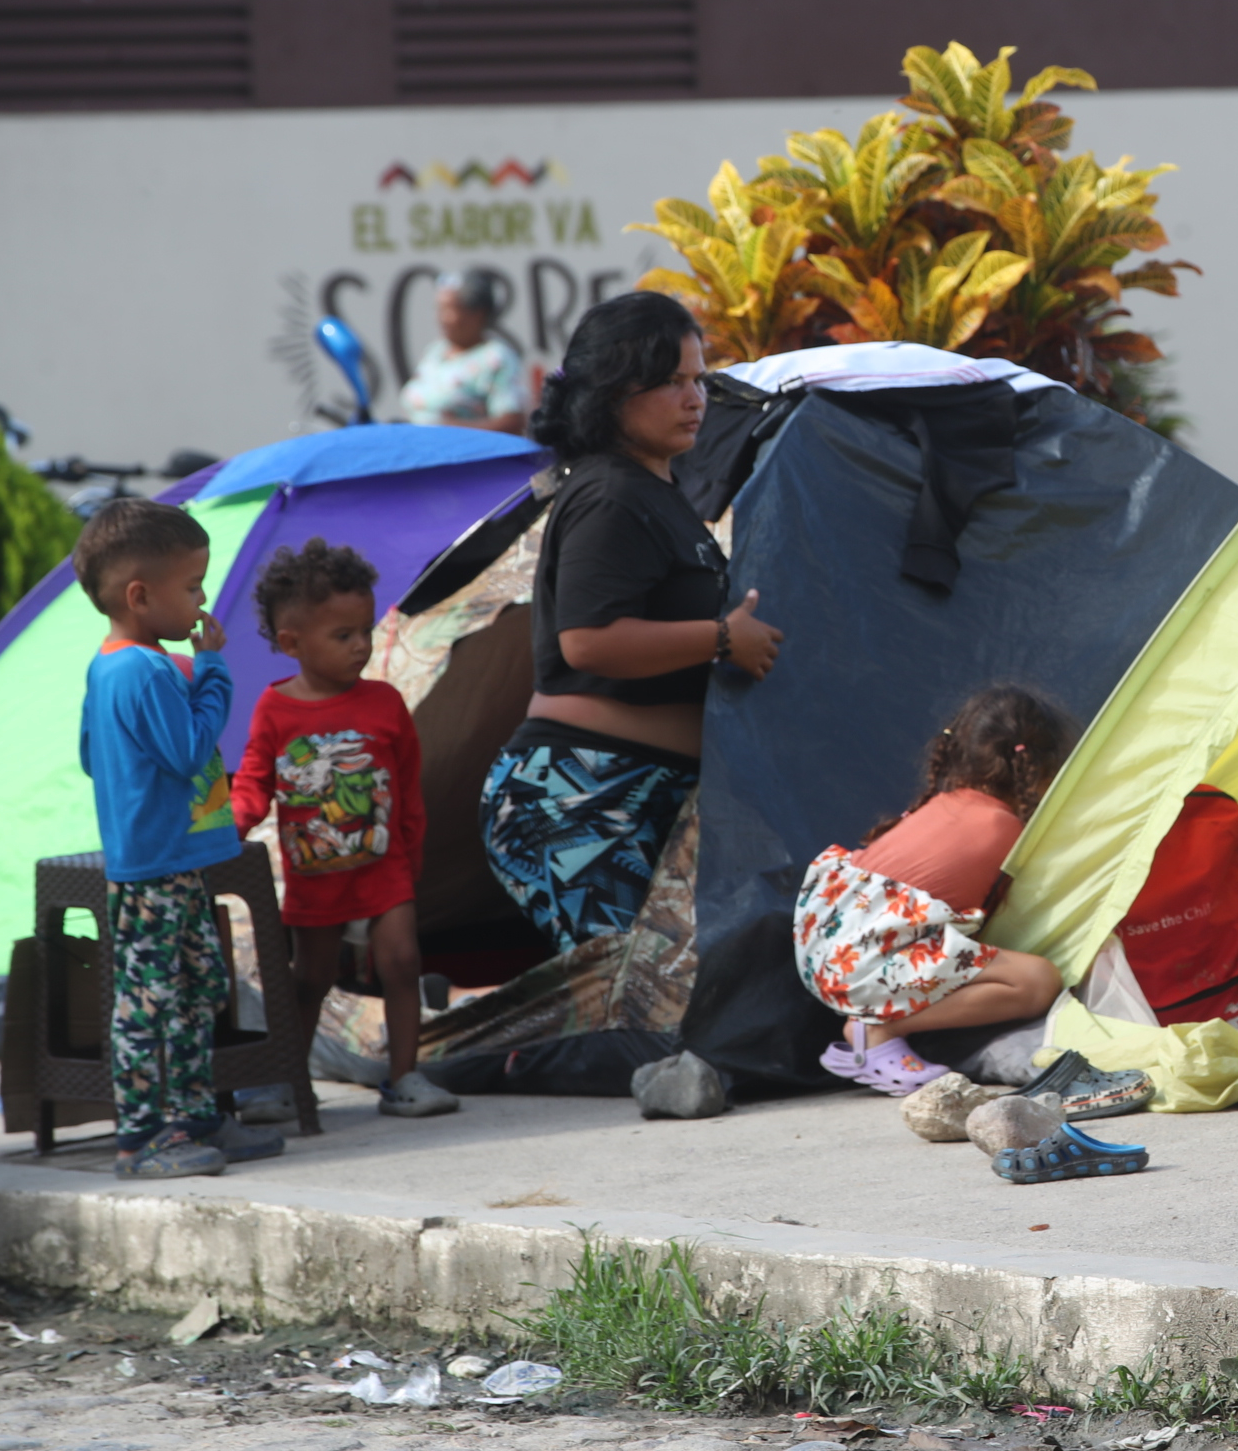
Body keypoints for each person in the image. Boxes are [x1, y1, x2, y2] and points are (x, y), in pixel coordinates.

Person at [481, 291, 783, 953]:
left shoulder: (657, 491)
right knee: (619, 999)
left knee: (652, 1001)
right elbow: (589, 642)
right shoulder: (610, 494)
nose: (695, 399)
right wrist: (723, 638)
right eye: (671, 382)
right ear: (614, 391)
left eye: (699, 380)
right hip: (577, 795)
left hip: (637, 795)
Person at [74, 499, 287, 1179]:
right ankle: (141, 1138)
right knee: (150, 1000)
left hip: (173, 860)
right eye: (192, 586)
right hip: (153, 868)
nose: (201, 602)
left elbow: (90, 754)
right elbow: (190, 750)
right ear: (140, 596)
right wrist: (213, 670)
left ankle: (195, 1118)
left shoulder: (115, 667)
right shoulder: (142, 670)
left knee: (196, 988)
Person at [230, 538, 459, 1119]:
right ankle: (289, 1081)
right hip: (315, 875)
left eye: (365, 630)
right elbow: (254, 779)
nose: (361, 645)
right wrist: (231, 825)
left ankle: (404, 1078)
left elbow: (408, 788)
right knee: (311, 978)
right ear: (292, 644)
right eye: (343, 635)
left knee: (402, 963)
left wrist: (411, 857)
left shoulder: (385, 704)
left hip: (384, 868)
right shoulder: (275, 709)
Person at [800, 686, 1074, 1094]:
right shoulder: (1001, 828)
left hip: (823, 946)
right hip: (861, 962)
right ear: (1043, 769)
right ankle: (878, 1029)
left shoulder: (946, 802)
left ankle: (878, 1019)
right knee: (1037, 980)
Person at [401, 269, 530, 432]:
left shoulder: (496, 358)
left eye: (449, 310)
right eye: (439, 309)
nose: (441, 318)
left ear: (477, 314)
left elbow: (512, 423)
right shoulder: (435, 351)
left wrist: (450, 429)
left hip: (461, 447)